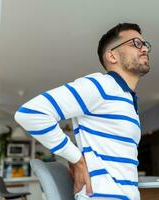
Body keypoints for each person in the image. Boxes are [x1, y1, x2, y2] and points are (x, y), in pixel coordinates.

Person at [14, 23, 151, 200]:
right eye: (136, 44)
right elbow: (30, 113)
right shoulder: (101, 85)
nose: (145, 49)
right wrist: (76, 159)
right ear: (112, 55)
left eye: (145, 44)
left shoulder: (125, 98)